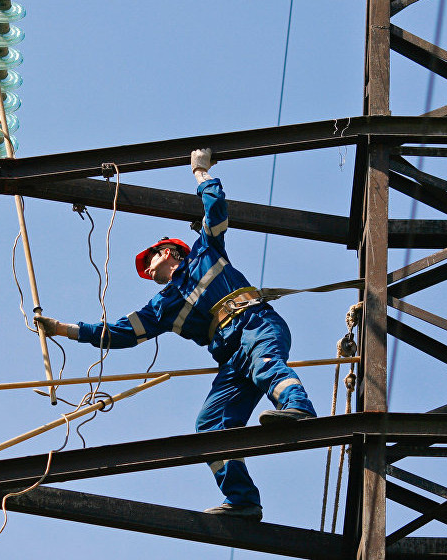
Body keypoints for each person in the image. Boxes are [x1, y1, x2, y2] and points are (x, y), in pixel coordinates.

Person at [36, 149, 317, 521]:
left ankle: (299, 408)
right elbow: (119, 333)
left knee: (265, 364)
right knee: (210, 426)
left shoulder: (206, 253)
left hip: (255, 324)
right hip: (231, 358)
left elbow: (216, 208)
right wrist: (65, 330)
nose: (147, 267)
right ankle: (243, 500)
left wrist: (200, 172)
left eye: (150, 259)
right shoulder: (163, 306)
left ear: (169, 252)